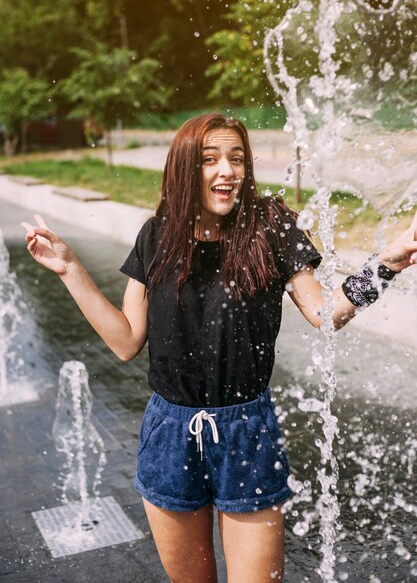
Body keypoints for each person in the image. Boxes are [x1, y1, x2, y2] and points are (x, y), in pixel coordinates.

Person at [21, 113, 417, 583]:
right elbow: (127, 340)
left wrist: (386, 265)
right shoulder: (157, 236)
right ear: (186, 168)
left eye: (236, 158)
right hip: (170, 433)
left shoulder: (271, 226)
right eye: (210, 159)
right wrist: (69, 269)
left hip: (246, 430)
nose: (226, 170)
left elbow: (325, 313)